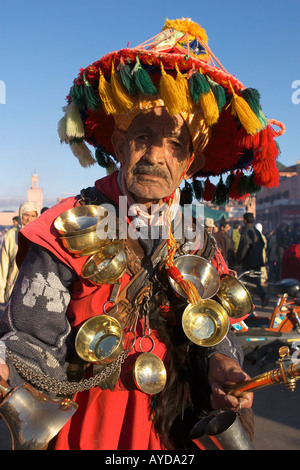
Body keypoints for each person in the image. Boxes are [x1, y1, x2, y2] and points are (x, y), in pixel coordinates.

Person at [0, 18, 284, 450]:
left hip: (177, 428)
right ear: (118, 143)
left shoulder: (199, 240)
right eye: (144, 136)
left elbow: (220, 324)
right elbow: (29, 337)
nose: (156, 155)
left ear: (190, 160)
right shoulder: (66, 227)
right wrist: (9, 365)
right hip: (91, 428)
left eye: (175, 144)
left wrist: (223, 359)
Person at [0, 201, 38, 305]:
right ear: (21, 215)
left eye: (32, 216)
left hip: (33, 292)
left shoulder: (39, 237)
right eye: (26, 215)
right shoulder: (11, 235)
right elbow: (4, 264)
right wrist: (1, 290)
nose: (29, 219)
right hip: (14, 288)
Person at [237, 213, 269, 307]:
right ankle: (255, 300)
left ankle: (255, 300)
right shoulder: (256, 231)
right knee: (255, 281)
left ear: (245, 221)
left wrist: (240, 259)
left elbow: (244, 247)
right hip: (258, 261)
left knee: (249, 283)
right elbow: (262, 244)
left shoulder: (246, 231)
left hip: (249, 262)